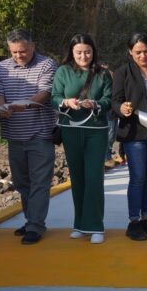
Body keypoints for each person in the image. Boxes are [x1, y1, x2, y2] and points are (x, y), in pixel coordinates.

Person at [0, 30, 57, 245]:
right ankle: (31, 221)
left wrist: (24, 104)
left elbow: (45, 93)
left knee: (40, 182)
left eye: (23, 51)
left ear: (33, 45)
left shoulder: (46, 64)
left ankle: (36, 226)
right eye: (14, 52)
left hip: (40, 134)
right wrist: (1, 108)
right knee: (22, 182)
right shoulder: (0, 68)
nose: (19, 55)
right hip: (14, 135)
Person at [51, 34, 112, 244]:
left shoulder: (103, 74)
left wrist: (95, 104)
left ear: (93, 51)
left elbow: (108, 100)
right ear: (72, 52)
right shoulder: (63, 71)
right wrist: (66, 102)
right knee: (77, 178)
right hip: (71, 130)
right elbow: (54, 97)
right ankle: (80, 224)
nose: (83, 56)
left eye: (87, 52)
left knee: (94, 177)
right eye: (78, 52)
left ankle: (95, 226)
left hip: (96, 130)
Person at [111, 33, 147, 241]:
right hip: (134, 133)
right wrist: (121, 108)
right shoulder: (123, 72)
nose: (143, 56)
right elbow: (115, 101)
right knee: (137, 178)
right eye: (138, 52)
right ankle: (133, 221)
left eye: (146, 51)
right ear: (130, 52)